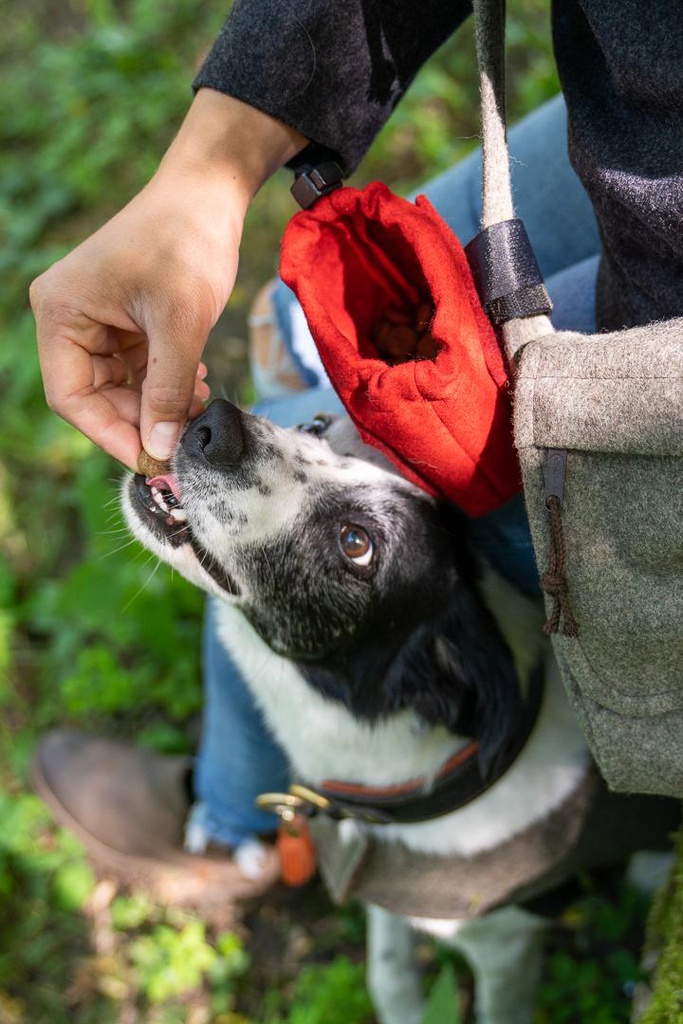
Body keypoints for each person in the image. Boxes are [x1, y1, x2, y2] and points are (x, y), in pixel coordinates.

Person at [30, 0, 682, 910]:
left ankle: (234, 825)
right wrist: (207, 175)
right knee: (299, 320)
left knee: (278, 436)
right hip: (644, 119)